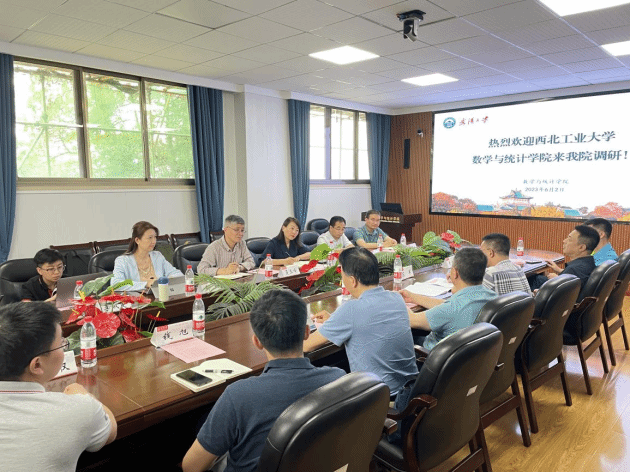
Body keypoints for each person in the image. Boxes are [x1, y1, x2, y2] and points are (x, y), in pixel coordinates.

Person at [182, 290, 344, 472]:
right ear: (307, 332)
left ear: (257, 342)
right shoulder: (338, 380)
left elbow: (191, 467)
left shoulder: (237, 396)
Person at [0, 302, 117, 471]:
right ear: (37, 365)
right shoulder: (78, 409)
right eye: (61, 343)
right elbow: (110, 430)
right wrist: (83, 395)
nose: (64, 346)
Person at [304, 247, 418, 400]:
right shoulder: (396, 298)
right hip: (410, 390)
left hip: (379, 400)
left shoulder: (350, 310)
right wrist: (334, 320)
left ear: (352, 281)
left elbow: (306, 346)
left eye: (342, 275)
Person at [400, 248, 497, 351]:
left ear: (455, 273)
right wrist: (413, 297)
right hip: (474, 355)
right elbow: (446, 305)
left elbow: (411, 320)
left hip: (430, 355)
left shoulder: (451, 309)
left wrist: (397, 300)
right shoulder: (492, 296)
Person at [530, 225, 600, 302]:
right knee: (536, 278)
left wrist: (539, 293)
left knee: (530, 281)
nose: (564, 241)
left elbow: (558, 299)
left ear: (581, 247)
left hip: (557, 305)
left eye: (569, 239)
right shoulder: (591, 262)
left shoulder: (573, 270)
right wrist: (560, 272)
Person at [111, 221, 183, 291]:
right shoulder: (123, 261)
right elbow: (115, 284)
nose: (154, 241)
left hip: (159, 296)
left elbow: (177, 274)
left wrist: (168, 280)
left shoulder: (157, 256)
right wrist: (145, 284)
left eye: (155, 237)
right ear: (137, 240)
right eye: (150, 237)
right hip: (137, 298)